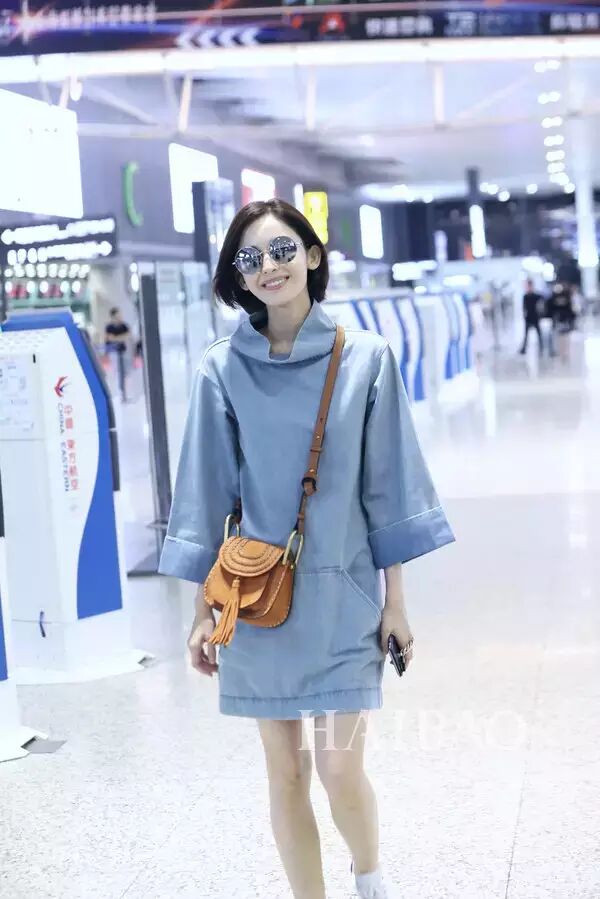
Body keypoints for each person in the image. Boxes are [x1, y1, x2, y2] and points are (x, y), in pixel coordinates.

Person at [158, 199, 455, 899]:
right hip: (259, 605)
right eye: (250, 258)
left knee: (339, 767)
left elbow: (388, 489)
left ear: (313, 256)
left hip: (345, 598)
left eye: (283, 250)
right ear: (237, 276)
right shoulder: (221, 369)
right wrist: (202, 612)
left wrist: (396, 603)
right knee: (285, 771)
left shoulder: (367, 359)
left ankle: (369, 876)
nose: (269, 267)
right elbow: (205, 494)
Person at [104, 306, 130, 401]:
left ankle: (124, 393)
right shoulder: (109, 327)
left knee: (125, 372)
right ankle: (118, 394)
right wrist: (120, 338)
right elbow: (110, 338)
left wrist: (117, 338)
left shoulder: (124, 326)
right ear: (113, 316)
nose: (120, 316)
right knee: (116, 372)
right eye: (118, 315)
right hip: (113, 352)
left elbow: (127, 336)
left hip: (123, 351)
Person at [519, 278, 545, 354]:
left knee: (539, 334)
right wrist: (524, 316)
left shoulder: (536, 295)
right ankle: (524, 349)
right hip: (528, 318)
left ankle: (541, 348)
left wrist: (540, 313)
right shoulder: (525, 296)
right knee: (526, 335)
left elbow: (542, 300)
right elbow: (524, 308)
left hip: (535, 317)